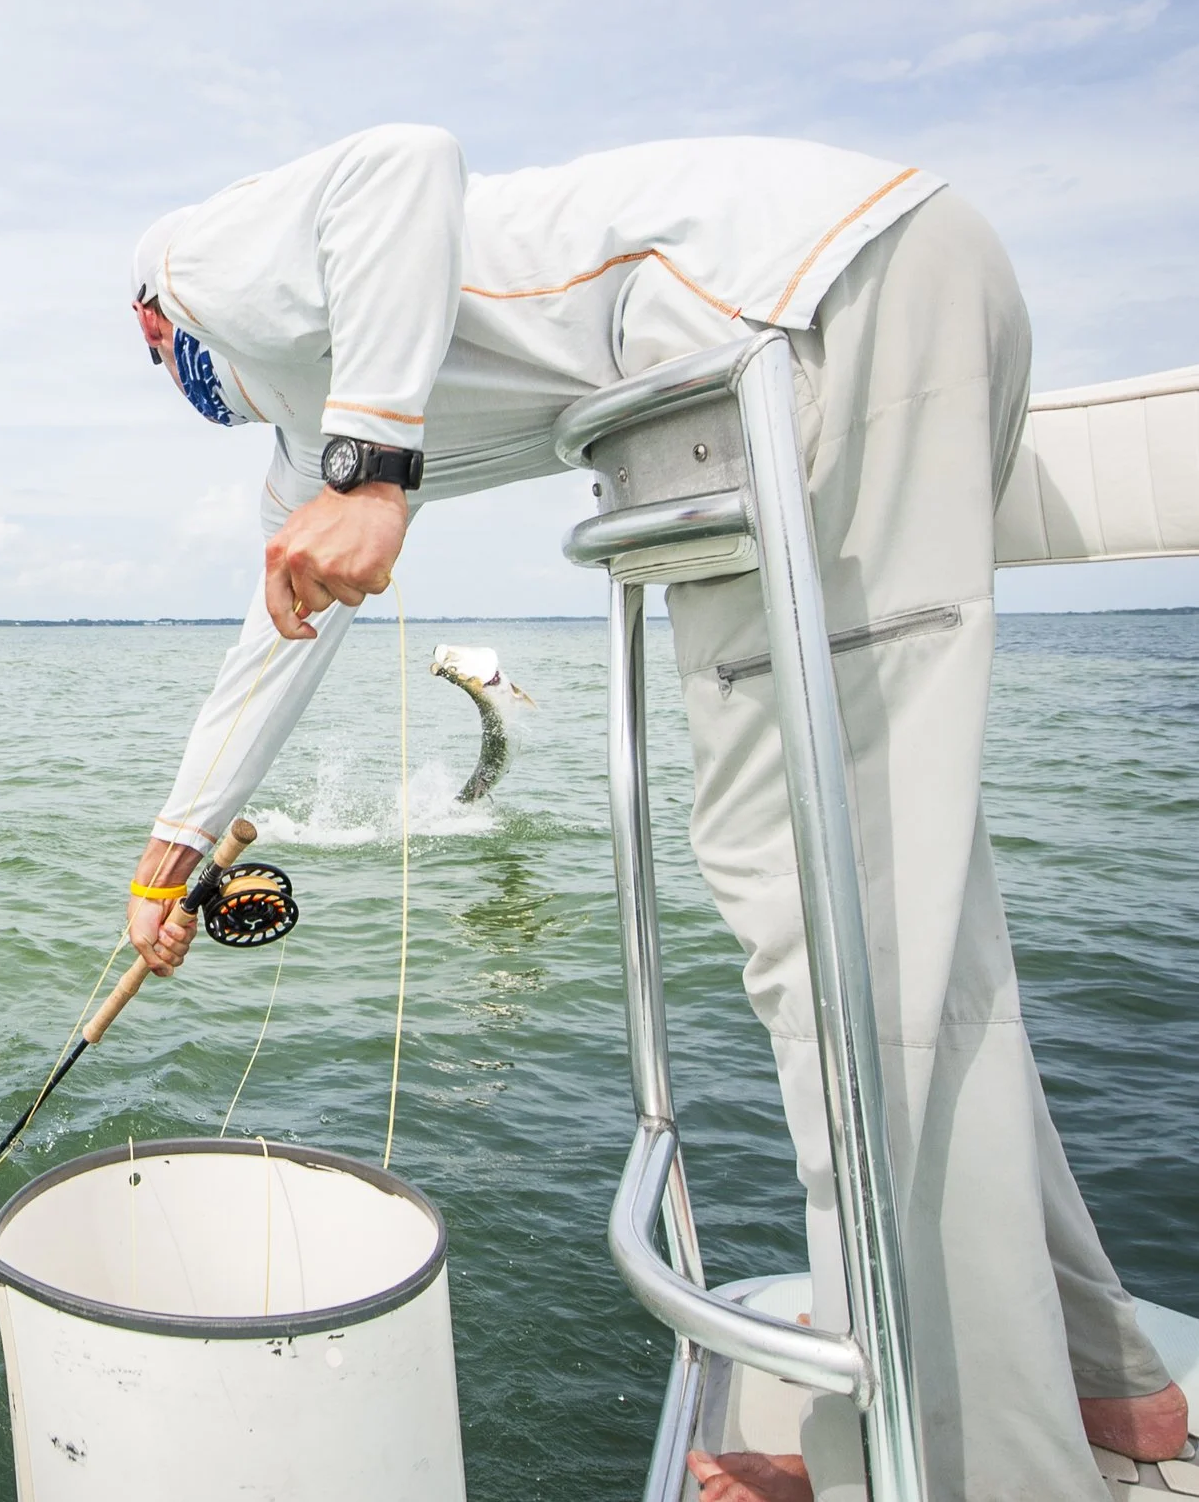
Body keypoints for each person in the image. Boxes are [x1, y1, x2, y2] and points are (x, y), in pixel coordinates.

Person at [114, 126, 1189, 1502]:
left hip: (790, 326)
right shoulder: (305, 430)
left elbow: (399, 163)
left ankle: (973, 1466)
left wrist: (377, 468)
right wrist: (174, 855)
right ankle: (1104, 1376)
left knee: (837, 931)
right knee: (910, 928)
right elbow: (273, 640)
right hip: (840, 304)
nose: (166, 372)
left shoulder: (191, 273)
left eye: (155, 350)